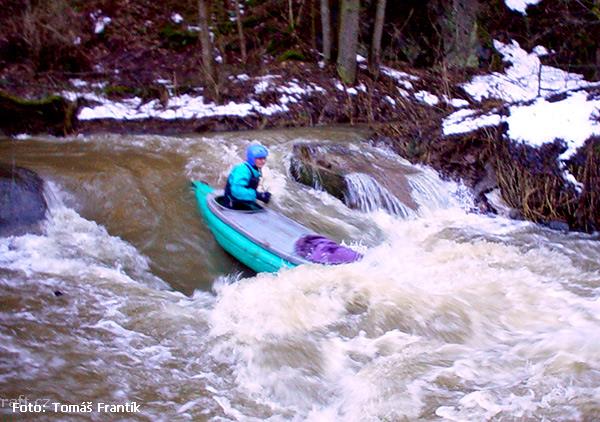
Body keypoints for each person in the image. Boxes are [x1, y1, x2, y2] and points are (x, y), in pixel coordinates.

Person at [223, 144, 272, 210]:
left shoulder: (255, 169)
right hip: (232, 204)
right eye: (260, 159)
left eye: (264, 158)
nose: (263, 161)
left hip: (242, 202)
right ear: (252, 159)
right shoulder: (242, 170)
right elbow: (236, 191)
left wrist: (263, 194)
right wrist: (258, 195)